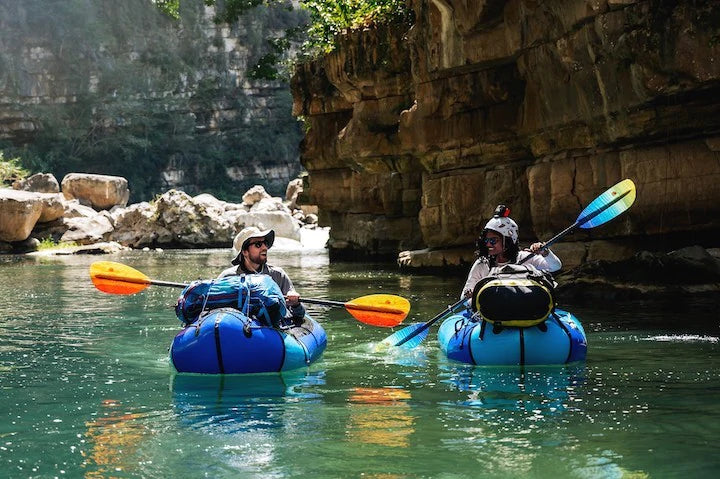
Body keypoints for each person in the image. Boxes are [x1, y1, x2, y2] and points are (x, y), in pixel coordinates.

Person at [461, 205, 562, 299]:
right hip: (490, 313)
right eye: (486, 240)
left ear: (508, 240)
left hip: (524, 311)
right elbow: (464, 296)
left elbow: (555, 266)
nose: (488, 244)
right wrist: (472, 295)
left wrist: (545, 252)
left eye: (493, 241)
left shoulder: (526, 258)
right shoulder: (482, 264)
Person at [219, 226, 306, 322]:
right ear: (245, 252)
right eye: (258, 244)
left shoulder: (278, 275)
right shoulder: (227, 277)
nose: (265, 247)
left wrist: (296, 304)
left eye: (265, 243)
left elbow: (299, 315)